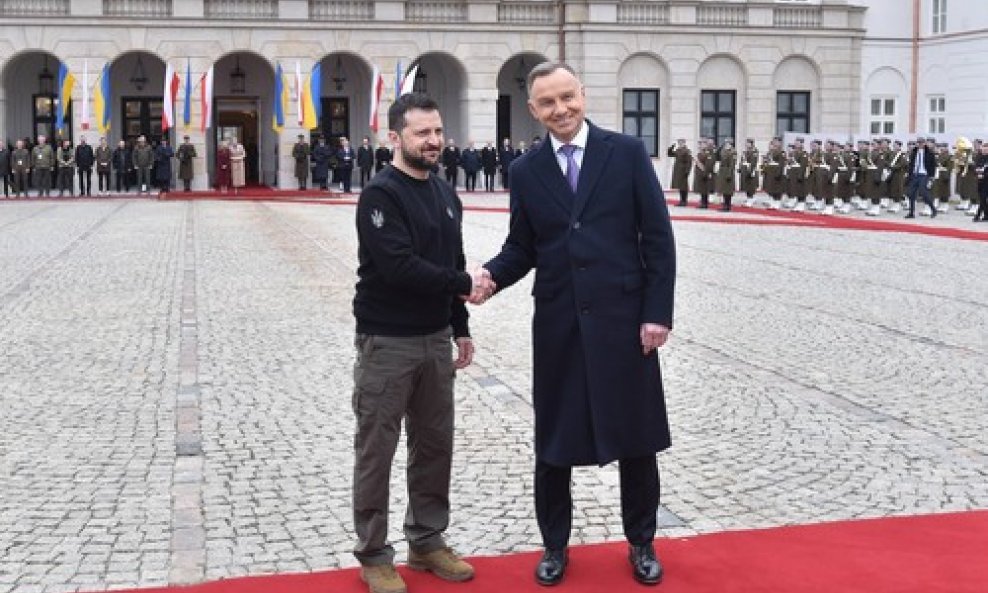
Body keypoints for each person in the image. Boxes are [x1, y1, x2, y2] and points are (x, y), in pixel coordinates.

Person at [476, 62, 675, 587]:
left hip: (626, 322)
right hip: (560, 324)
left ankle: (642, 542)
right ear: (534, 110)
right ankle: (555, 546)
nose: (560, 110)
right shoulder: (525, 171)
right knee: (554, 442)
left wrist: (657, 313)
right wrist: (490, 277)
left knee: (636, 440)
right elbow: (523, 246)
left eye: (568, 97)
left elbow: (656, 238)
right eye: (547, 103)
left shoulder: (626, 154)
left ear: (582, 94)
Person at [351, 92, 480, 593]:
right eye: (422, 133)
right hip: (387, 342)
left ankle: (427, 541)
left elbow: (452, 263)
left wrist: (461, 324)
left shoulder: (446, 194)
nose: (433, 141)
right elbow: (399, 267)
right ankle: (374, 554)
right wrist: (464, 284)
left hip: (434, 340)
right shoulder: (381, 194)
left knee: (434, 447)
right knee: (376, 451)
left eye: (438, 131)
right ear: (395, 137)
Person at [905, 136, 937, 219]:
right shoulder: (914, 152)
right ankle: (911, 212)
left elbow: (933, 165)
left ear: (924, 143)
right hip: (915, 175)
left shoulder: (929, 153)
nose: (920, 144)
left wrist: (931, 177)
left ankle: (933, 209)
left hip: (924, 174)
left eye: (921, 142)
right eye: (918, 142)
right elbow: (911, 164)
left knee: (924, 192)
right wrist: (909, 174)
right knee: (911, 193)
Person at [666, 138, 691, 206]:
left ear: (684, 143)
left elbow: (689, 162)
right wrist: (671, 148)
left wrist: (687, 171)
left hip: (683, 170)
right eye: (679, 143)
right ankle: (681, 200)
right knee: (680, 186)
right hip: (678, 170)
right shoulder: (678, 150)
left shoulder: (687, 151)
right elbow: (670, 154)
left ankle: (684, 201)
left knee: (683, 186)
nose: (679, 144)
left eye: (681, 143)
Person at [715, 139, 736, 211]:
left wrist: (729, 174)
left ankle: (728, 205)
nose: (726, 144)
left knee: (728, 190)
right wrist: (720, 147)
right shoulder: (723, 150)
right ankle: (725, 204)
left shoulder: (732, 152)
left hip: (728, 172)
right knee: (723, 189)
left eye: (728, 143)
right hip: (722, 171)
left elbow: (732, 164)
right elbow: (717, 156)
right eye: (725, 143)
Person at [973, 141, 988, 222]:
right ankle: (986, 215)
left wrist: (984, 175)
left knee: (983, 198)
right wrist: (977, 171)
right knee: (983, 199)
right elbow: (975, 167)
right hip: (980, 181)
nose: (984, 151)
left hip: (987, 181)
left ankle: (977, 215)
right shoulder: (979, 157)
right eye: (983, 149)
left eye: (986, 149)